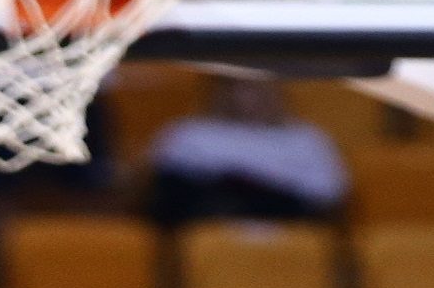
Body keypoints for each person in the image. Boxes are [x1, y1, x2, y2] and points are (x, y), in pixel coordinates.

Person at [145, 77, 347, 225]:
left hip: (287, 235)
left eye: (263, 87)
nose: (256, 96)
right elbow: (165, 197)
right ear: (223, 90)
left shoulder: (306, 138)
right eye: (244, 87)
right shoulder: (189, 133)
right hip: (209, 232)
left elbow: (326, 197)